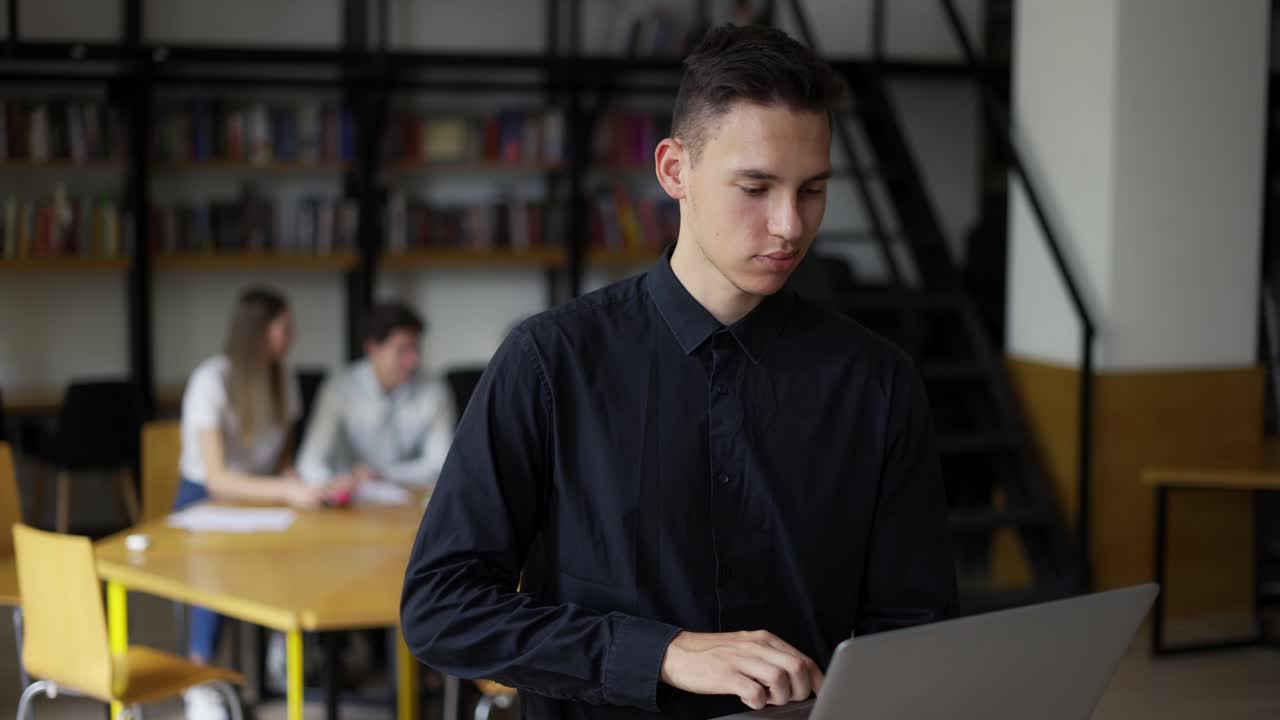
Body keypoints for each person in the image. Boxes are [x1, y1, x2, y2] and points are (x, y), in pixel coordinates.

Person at [401, 23, 956, 720]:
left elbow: (914, 623)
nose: (789, 224)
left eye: (812, 189)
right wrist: (663, 652)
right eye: (755, 187)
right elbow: (440, 608)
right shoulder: (548, 362)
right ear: (674, 171)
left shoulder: (877, 381)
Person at [173, 286, 330, 720]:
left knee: (311, 545)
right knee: (214, 569)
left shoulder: (284, 376)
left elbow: (283, 459)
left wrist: (298, 484)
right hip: (205, 498)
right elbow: (220, 480)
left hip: (264, 497)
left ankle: (285, 652)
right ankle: (200, 680)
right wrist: (285, 491)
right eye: (285, 327)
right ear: (259, 333)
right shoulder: (211, 381)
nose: (293, 336)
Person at [297, 301, 455, 492]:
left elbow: (440, 465)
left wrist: (384, 474)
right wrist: (334, 482)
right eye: (403, 350)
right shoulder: (339, 389)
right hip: (348, 498)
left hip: (408, 501)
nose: (414, 360)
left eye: (415, 349)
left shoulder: (434, 390)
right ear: (373, 348)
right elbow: (310, 462)